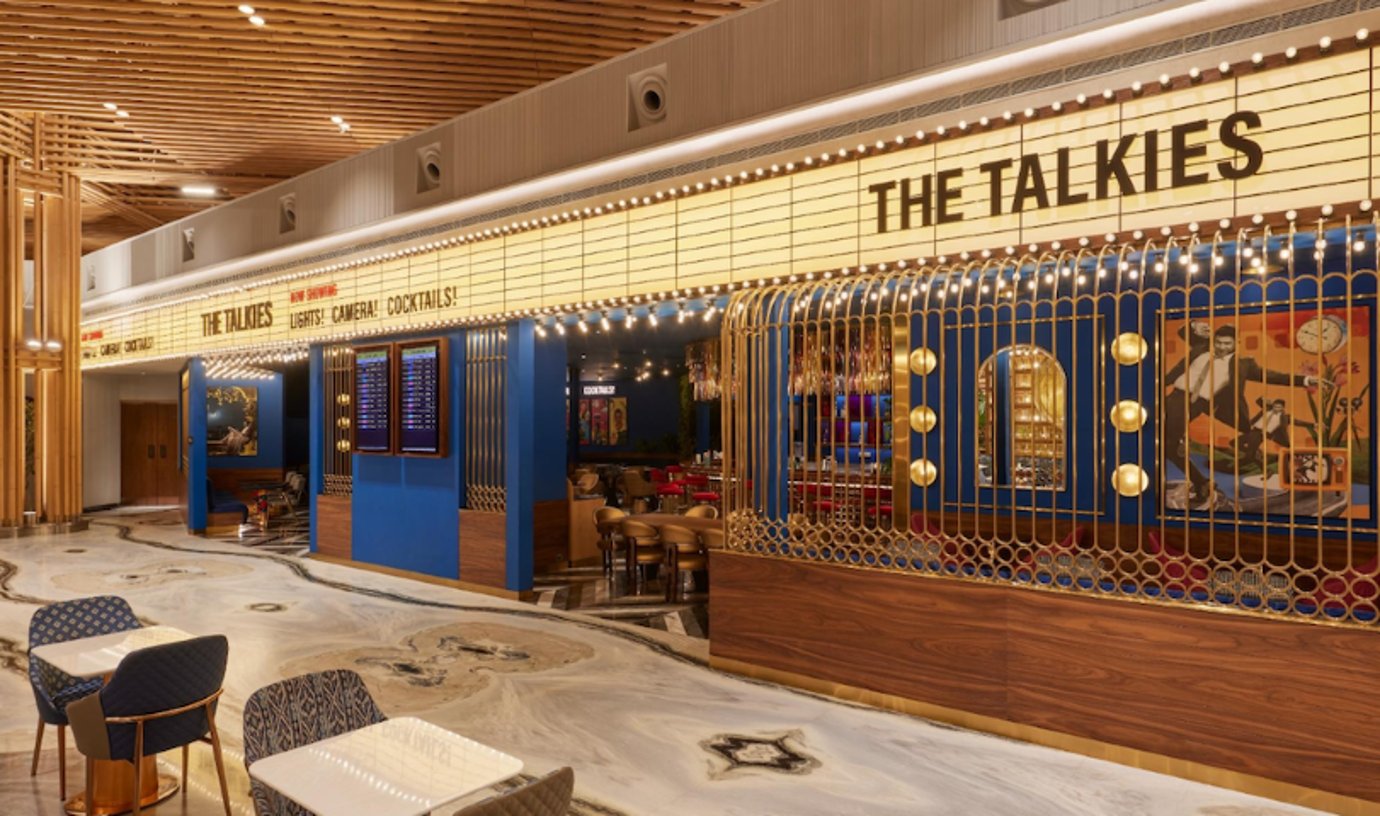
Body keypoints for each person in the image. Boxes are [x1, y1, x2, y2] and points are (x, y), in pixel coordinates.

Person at [1163, 325, 1323, 506]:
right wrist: (1195, 324)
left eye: (1227, 344)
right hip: (1174, 396)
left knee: (1168, 444)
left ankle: (1200, 480)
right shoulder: (1201, 348)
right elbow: (1183, 331)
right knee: (1168, 445)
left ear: (1236, 343)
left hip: (1196, 403)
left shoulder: (1243, 364)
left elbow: (1271, 376)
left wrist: (1305, 380)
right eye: (1218, 343)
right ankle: (1201, 481)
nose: (1222, 347)